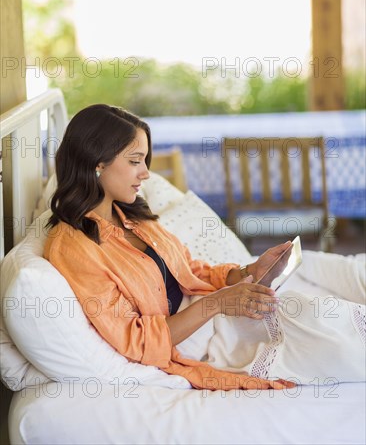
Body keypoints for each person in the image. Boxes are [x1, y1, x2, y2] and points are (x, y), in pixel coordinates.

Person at [44, 105, 365, 392]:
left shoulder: (129, 213)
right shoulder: (74, 248)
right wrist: (215, 305)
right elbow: (138, 341)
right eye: (134, 161)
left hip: (212, 315)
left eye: (145, 160)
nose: (145, 172)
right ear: (96, 164)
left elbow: (191, 270)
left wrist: (248, 271)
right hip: (197, 338)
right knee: (336, 347)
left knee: (321, 315)